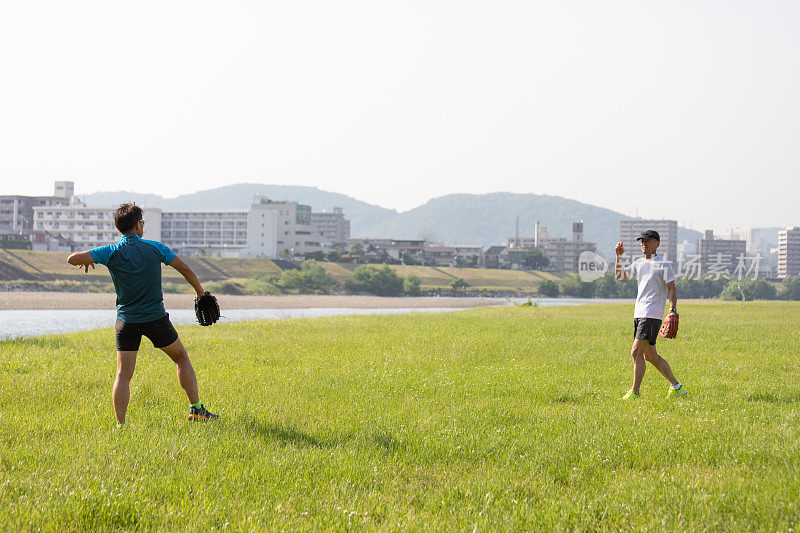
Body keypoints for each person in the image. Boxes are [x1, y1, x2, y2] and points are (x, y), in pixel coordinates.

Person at [67, 203, 219, 428]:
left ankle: (121, 425)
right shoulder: (155, 248)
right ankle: (197, 410)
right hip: (155, 319)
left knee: (123, 375)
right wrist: (200, 293)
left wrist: (88, 259)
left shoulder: (109, 252)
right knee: (181, 359)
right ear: (137, 224)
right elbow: (186, 269)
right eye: (143, 222)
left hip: (126, 322)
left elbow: (72, 258)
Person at [614, 230, 688, 400]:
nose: (644, 244)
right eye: (642, 242)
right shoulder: (639, 263)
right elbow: (620, 276)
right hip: (639, 313)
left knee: (635, 353)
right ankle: (676, 387)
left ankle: (635, 392)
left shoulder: (663, 264)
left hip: (652, 314)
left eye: (647, 241)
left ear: (657, 244)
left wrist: (673, 309)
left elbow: (671, 288)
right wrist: (619, 257)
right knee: (650, 355)